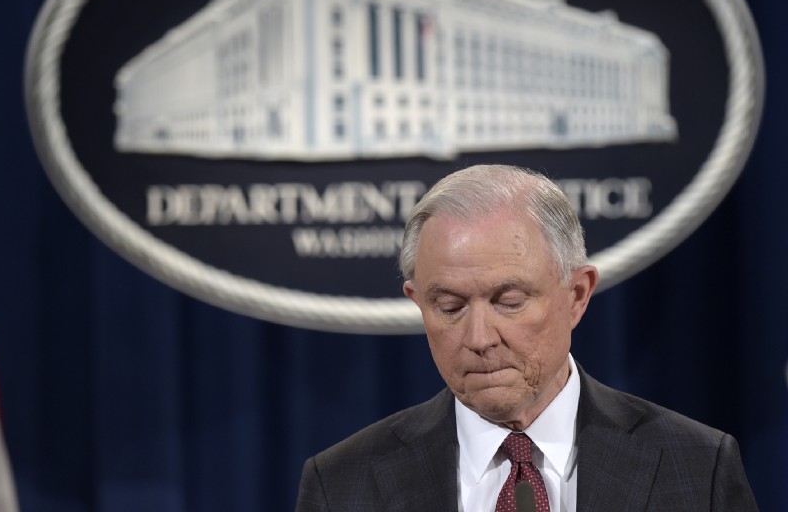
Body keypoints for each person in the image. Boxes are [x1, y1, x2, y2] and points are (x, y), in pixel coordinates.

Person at [295, 164, 758, 511]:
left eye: (509, 301)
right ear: (418, 302)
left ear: (577, 294)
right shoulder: (342, 485)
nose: (479, 338)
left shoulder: (697, 467)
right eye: (450, 308)